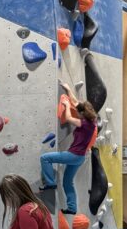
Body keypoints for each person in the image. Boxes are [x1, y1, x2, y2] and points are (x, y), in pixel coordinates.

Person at [39, 82, 97, 215]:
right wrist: (68, 89)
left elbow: (68, 118)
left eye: (79, 112)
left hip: (73, 155)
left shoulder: (83, 123)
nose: (78, 113)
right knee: (67, 182)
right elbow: (76, 102)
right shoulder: (91, 122)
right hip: (80, 158)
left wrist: (66, 106)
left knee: (45, 158)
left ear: (83, 114)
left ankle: (50, 183)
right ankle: (72, 208)